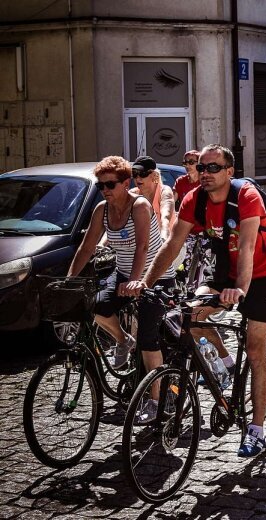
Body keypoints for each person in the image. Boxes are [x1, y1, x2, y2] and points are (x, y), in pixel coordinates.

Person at [130, 144, 266, 457]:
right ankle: (225, 366)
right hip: (224, 272)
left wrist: (240, 289)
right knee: (189, 317)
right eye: (201, 167)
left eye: (214, 168)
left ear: (230, 172)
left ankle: (256, 429)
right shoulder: (194, 198)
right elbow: (172, 244)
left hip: (262, 276)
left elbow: (249, 246)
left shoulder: (245, 198)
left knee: (255, 350)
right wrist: (145, 283)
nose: (206, 173)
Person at [67, 156, 176, 422]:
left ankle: (157, 399)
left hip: (155, 277)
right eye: (100, 186)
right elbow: (87, 247)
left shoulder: (138, 206)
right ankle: (123, 340)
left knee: (149, 338)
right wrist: (69, 280)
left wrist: (138, 281)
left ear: (126, 182)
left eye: (110, 184)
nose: (105, 190)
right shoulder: (101, 210)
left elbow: (143, 247)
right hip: (124, 274)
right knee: (96, 306)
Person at [129, 156, 175, 242]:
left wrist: (163, 237)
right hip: (142, 246)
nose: (138, 178)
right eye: (134, 174)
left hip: (166, 244)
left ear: (154, 175)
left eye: (143, 174)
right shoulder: (132, 194)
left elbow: (165, 217)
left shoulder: (164, 191)